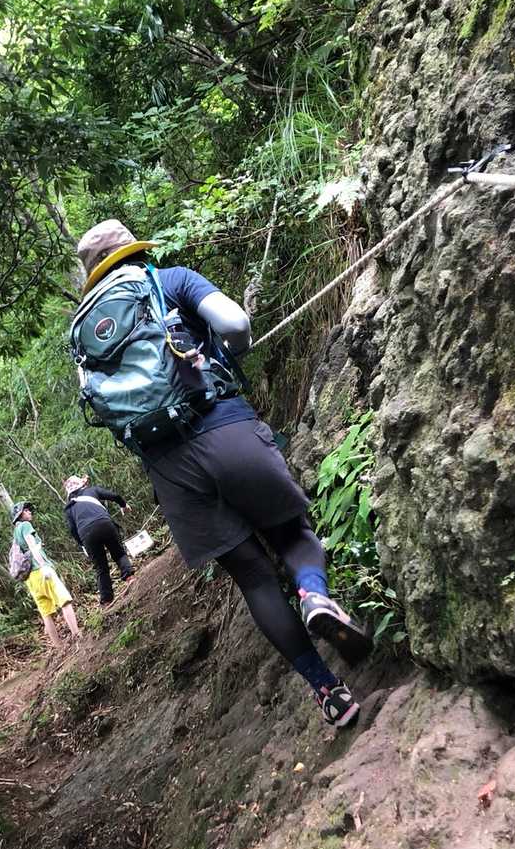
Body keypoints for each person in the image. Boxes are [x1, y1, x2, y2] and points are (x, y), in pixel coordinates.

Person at [71, 219, 372, 729]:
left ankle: (328, 691)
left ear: (94, 273)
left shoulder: (83, 336)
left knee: (253, 577)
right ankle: (314, 593)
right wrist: (228, 352)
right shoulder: (169, 280)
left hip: (169, 469)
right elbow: (233, 324)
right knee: (290, 533)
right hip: (222, 426)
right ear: (134, 251)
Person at [11, 501, 81, 650]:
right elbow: (32, 546)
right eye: (26, 510)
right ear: (20, 514)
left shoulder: (16, 532)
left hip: (30, 578)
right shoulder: (25, 526)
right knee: (64, 601)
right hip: (40, 570)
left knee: (46, 613)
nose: (29, 512)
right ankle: (77, 635)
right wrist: (44, 566)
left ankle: (59, 648)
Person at [63, 474, 135, 606]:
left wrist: (83, 545)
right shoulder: (92, 490)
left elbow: (73, 530)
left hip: (86, 534)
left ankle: (106, 600)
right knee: (118, 553)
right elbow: (115, 496)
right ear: (81, 485)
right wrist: (123, 505)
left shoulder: (69, 508)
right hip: (104, 523)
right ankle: (130, 577)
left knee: (101, 567)